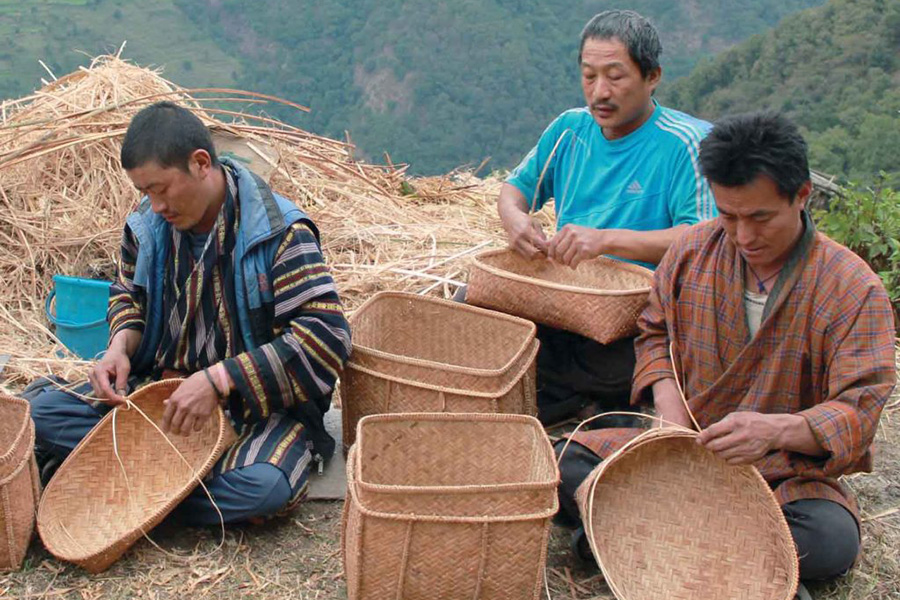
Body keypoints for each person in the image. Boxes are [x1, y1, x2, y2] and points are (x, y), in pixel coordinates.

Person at [555, 112, 897, 586]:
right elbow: (655, 333)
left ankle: (640, 532)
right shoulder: (692, 251)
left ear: (802, 196)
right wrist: (669, 412)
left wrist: (774, 430)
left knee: (829, 540)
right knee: (563, 464)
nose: (743, 236)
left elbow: (859, 409)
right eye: (728, 216)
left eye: (760, 217)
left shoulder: (851, 288)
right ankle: (727, 553)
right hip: (681, 453)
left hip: (779, 473)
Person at [29, 101, 351, 525]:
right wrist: (119, 347)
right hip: (157, 399)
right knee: (38, 414)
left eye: (161, 189)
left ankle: (119, 482)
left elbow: (326, 338)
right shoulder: (147, 229)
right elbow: (127, 295)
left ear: (201, 163)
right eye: (145, 193)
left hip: (251, 413)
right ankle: (159, 482)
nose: (156, 204)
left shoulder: (279, 233)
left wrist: (219, 380)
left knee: (262, 488)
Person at [487, 10, 716, 424]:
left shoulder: (687, 145)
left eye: (615, 76)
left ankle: (574, 402)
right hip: (568, 302)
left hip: (638, 317)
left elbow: (702, 236)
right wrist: (515, 220)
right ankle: (570, 398)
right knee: (474, 311)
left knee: (632, 363)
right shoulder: (569, 130)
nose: (599, 92)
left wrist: (605, 240)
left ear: (652, 77)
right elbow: (515, 189)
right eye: (589, 76)